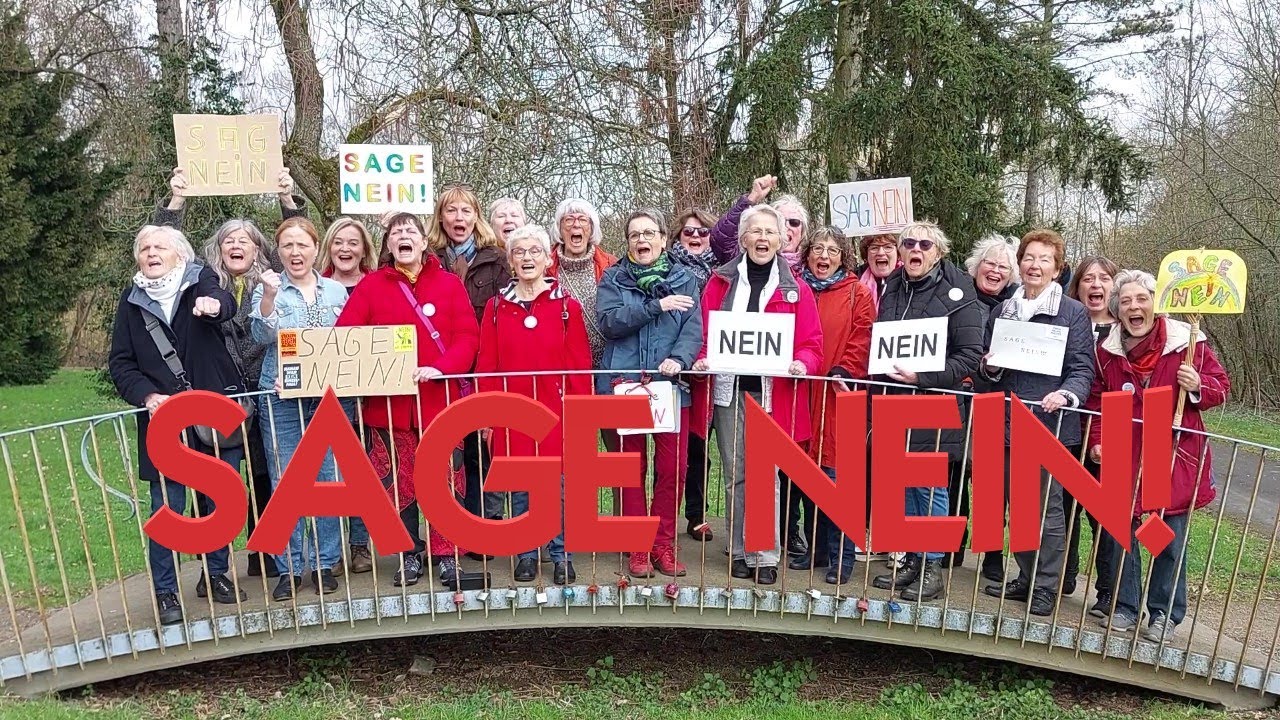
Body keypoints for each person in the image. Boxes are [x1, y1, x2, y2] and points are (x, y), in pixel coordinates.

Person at [164, 166, 305, 580]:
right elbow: (165, 246)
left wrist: (286, 199)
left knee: (266, 475)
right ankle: (215, 566)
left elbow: (300, 240)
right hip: (219, 400)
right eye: (229, 240)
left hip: (266, 392)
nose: (236, 244)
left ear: (259, 249)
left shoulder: (273, 282)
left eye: (245, 239)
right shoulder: (200, 283)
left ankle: (264, 553)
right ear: (217, 250)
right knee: (220, 483)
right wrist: (176, 201)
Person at [109, 224, 248, 625]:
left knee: (218, 503)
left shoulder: (200, 278)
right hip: (164, 424)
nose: (151, 253)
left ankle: (216, 574)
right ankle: (166, 592)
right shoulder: (131, 302)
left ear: (179, 255)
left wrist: (212, 306)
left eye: (159, 247)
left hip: (211, 414)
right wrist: (148, 396)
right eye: (144, 248)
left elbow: (226, 302)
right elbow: (121, 362)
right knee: (166, 509)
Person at [334, 212, 480, 588]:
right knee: (400, 484)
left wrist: (442, 368)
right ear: (388, 245)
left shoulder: (449, 284)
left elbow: (467, 336)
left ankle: (447, 555)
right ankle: (408, 554)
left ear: (422, 241)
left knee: (447, 480)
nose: (403, 236)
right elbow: (346, 337)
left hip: (439, 402)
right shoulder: (370, 287)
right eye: (395, 232)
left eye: (409, 231)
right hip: (389, 407)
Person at [1087, 270, 1229, 642]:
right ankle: (1125, 607)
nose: (1135, 306)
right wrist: (1097, 441)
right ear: (1117, 310)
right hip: (1125, 453)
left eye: (1142, 298)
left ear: (1155, 303)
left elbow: (1221, 388)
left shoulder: (1187, 342)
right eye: (1127, 301)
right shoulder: (1107, 352)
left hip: (1172, 455)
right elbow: (1097, 401)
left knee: (1165, 537)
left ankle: (1165, 613)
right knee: (1125, 535)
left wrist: (1198, 385)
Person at [691, 204, 823, 585]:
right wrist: (701, 360)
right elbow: (705, 335)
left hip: (772, 395)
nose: (762, 238)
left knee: (769, 476)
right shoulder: (719, 283)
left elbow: (812, 344)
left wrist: (802, 363)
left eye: (770, 232)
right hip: (730, 393)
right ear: (743, 239)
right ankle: (737, 549)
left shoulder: (796, 290)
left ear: (781, 240)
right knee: (736, 476)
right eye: (755, 231)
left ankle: (764, 553)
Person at [978, 228, 1095, 616]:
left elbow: (1082, 369)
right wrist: (989, 367)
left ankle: (1047, 586)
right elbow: (990, 366)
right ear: (1020, 263)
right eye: (1029, 257)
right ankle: (1026, 577)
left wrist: (1066, 394)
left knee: (1048, 510)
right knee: (1019, 507)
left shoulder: (1073, 313)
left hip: (1051, 424)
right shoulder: (1002, 311)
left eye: (1045, 259)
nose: (1035, 265)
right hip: (1009, 422)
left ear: (1057, 268)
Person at [869, 221, 987, 603]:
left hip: (934, 401)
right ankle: (913, 561)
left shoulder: (960, 291)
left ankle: (933, 566)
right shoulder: (893, 288)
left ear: (938, 251)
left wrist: (922, 375)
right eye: (909, 243)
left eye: (924, 244)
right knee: (903, 485)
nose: (915, 249)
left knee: (930, 487)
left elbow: (969, 356)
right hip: (894, 402)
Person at [476, 224, 592, 584]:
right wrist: (485, 414)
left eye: (534, 252)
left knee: (558, 484)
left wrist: (582, 413)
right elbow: (487, 366)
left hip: (555, 409)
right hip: (513, 410)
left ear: (547, 258)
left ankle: (561, 553)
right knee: (523, 482)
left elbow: (579, 366)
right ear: (510, 260)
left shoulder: (566, 307)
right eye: (519, 252)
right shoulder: (496, 308)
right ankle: (527, 552)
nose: (527, 258)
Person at [250, 217, 355, 600]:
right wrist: (268, 298)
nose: (295, 253)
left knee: (328, 478)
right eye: (288, 246)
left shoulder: (335, 292)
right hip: (280, 397)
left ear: (315, 249)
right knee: (285, 481)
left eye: (302, 245)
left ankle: (325, 563)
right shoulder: (269, 288)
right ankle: (290, 567)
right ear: (278, 252)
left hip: (327, 397)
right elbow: (262, 337)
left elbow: (348, 343)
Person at [597, 209, 704, 578]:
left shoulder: (685, 280)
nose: (641, 240)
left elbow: (694, 328)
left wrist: (680, 358)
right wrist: (655, 306)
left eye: (649, 233)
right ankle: (637, 545)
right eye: (634, 235)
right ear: (627, 243)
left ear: (663, 240)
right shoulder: (613, 278)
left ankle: (663, 545)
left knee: (672, 469)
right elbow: (610, 322)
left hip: (670, 388)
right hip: (626, 384)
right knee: (630, 467)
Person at [427, 185, 511, 531]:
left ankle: (485, 521)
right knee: (445, 450)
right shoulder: (427, 257)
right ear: (441, 217)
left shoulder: (497, 259)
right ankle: (448, 525)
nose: (458, 218)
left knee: (482, 450)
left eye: (465, 211)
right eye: (451, 211)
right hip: (439, 369)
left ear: (476, 216)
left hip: (480, 368)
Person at [796, 226, 875, 583]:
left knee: (836, 477)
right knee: (807, 476)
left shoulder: (857, 292)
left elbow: (863, 335)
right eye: (818, 249)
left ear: (843, 256)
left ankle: (842, 557)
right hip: (802, 392)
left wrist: (846, 366)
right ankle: (817, 550)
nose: (823, 256)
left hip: (838, 393)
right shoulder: (795, 289)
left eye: (832, 250)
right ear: (808, 253)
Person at [950, 233, 1021, 579]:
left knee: (991, 480)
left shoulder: (1017, 307)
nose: (994, 271)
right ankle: (952, 543)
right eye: (989, 264)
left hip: (996, 399)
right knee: (953, 474)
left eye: (1002, 267)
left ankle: (992, 553)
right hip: (957, 394)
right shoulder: (957, 298)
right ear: (976, 267)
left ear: (1012, 275)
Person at [1065, 255, 1122, 614]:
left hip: (1110, 435)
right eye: (1088, 278)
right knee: (1062, 511)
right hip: (1069, 431)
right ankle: (1061, 577)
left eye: (1103, 279)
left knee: (1106, 519)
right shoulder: (1067, 321)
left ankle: (1108, 591)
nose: (1096, 285)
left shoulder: (1126, 331)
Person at [668, 209, 719, 542]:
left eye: (703, 232)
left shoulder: (723, 272)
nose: (696, 237)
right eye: (689, 231)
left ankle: (696, 514)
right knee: (671, 452)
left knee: (700, 447)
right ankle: (660, 521)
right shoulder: (665, 271)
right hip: (674, 368)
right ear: (677, 236)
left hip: (710, 369)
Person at [546, 198, 618, 367]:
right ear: (560, 229)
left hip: (607, 366)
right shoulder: (544, 266)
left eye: (583, 219)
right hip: (563, 366)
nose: (576, 225)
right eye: (569, 219)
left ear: (591, 228)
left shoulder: (612, 265)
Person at [709, 176, 807, 270]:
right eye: (780, 220)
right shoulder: (746, 260)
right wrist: (751, 199)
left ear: (802, 232)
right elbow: (721, 241)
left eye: (794, 222)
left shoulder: (811, 267)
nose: (786, 226)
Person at [319, 217, 378, 295]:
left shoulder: (378, 286)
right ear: (329, 248)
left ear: (364, 251)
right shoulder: (316, 288)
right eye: (338, 242)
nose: (345, 249)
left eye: (353, 243)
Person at [855, 233, 901, 312]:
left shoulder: (911, 280)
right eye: (874, 248)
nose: (881, 253)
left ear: (898, 253)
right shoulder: (853, 283)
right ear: (866, 255)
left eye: (888, 247)